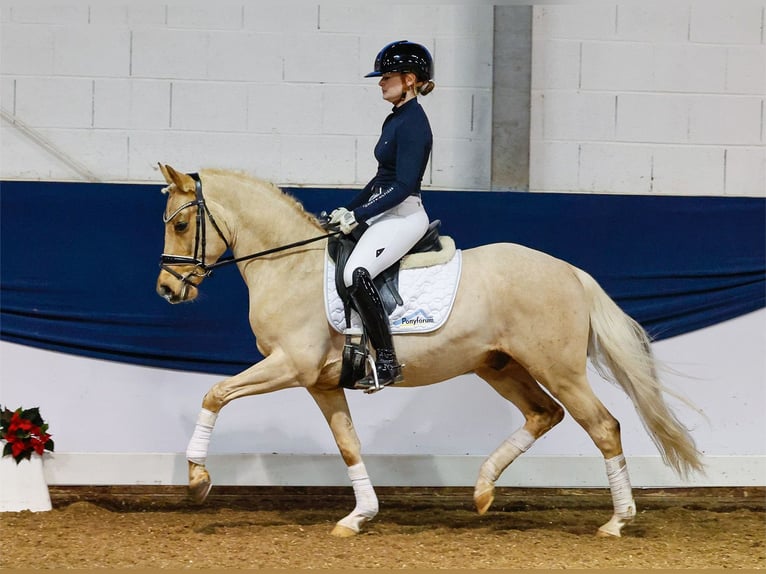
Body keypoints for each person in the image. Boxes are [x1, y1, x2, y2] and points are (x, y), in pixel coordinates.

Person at [329, 40, 435, 391]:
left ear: (409, 79)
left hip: (404, 215)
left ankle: (387, 361)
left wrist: (361, 215)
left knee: (357, 273)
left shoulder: (414, 124)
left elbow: (403, 185)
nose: (380, 82)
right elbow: (380, 178)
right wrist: (349, 208)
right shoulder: (394, 119)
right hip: (383, 209)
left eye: (386, 76)